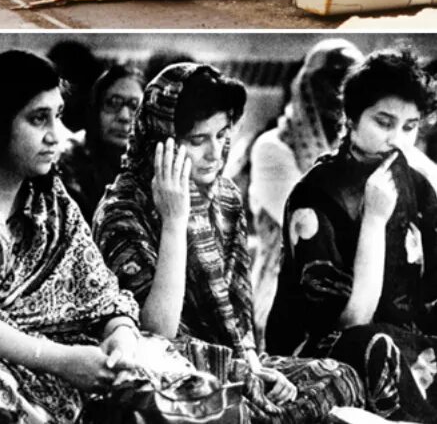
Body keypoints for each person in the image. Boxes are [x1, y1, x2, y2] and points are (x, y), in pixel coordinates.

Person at [94, 63, 366, 423]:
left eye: (222, 134)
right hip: (167, 364)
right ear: (162, 140)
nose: (215, 152)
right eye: (197, 140)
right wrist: (175, 220)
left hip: (231, 360)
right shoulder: (122, 209)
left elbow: (237, 313)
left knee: (340, 377)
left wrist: (254, 365)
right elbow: (155, 333)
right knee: (219, 398)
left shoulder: (224, 197)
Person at [0, 50, 194, 423]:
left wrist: (121, 335)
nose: (55, 136)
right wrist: (60, 360)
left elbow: (104, 298)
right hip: (3, 366)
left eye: (58, 116)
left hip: (78, 364)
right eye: (38, 119)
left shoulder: (54, 205)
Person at [267, 49, 437, 421]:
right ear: (350, 118)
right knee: (377, 346)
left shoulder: (419, 187)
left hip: (406, 340)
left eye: (409, 127)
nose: (397, 140)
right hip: (331, 345)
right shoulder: (316, 194)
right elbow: (351, 322)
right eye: (384, 122)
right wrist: (374, 222)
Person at [249, 39, 364, 346]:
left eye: (353, 79)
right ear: (308, 84)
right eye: (334, 77)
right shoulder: (272, 148)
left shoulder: (369, 149)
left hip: (355, 285)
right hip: (282, 289)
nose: (342, 89)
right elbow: (310, 225)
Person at [58, 64, 145, 224]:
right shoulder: (68, 163)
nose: (124, 117)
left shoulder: (150, 167)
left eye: (135, 107)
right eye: (113, 103)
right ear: (95, 109)